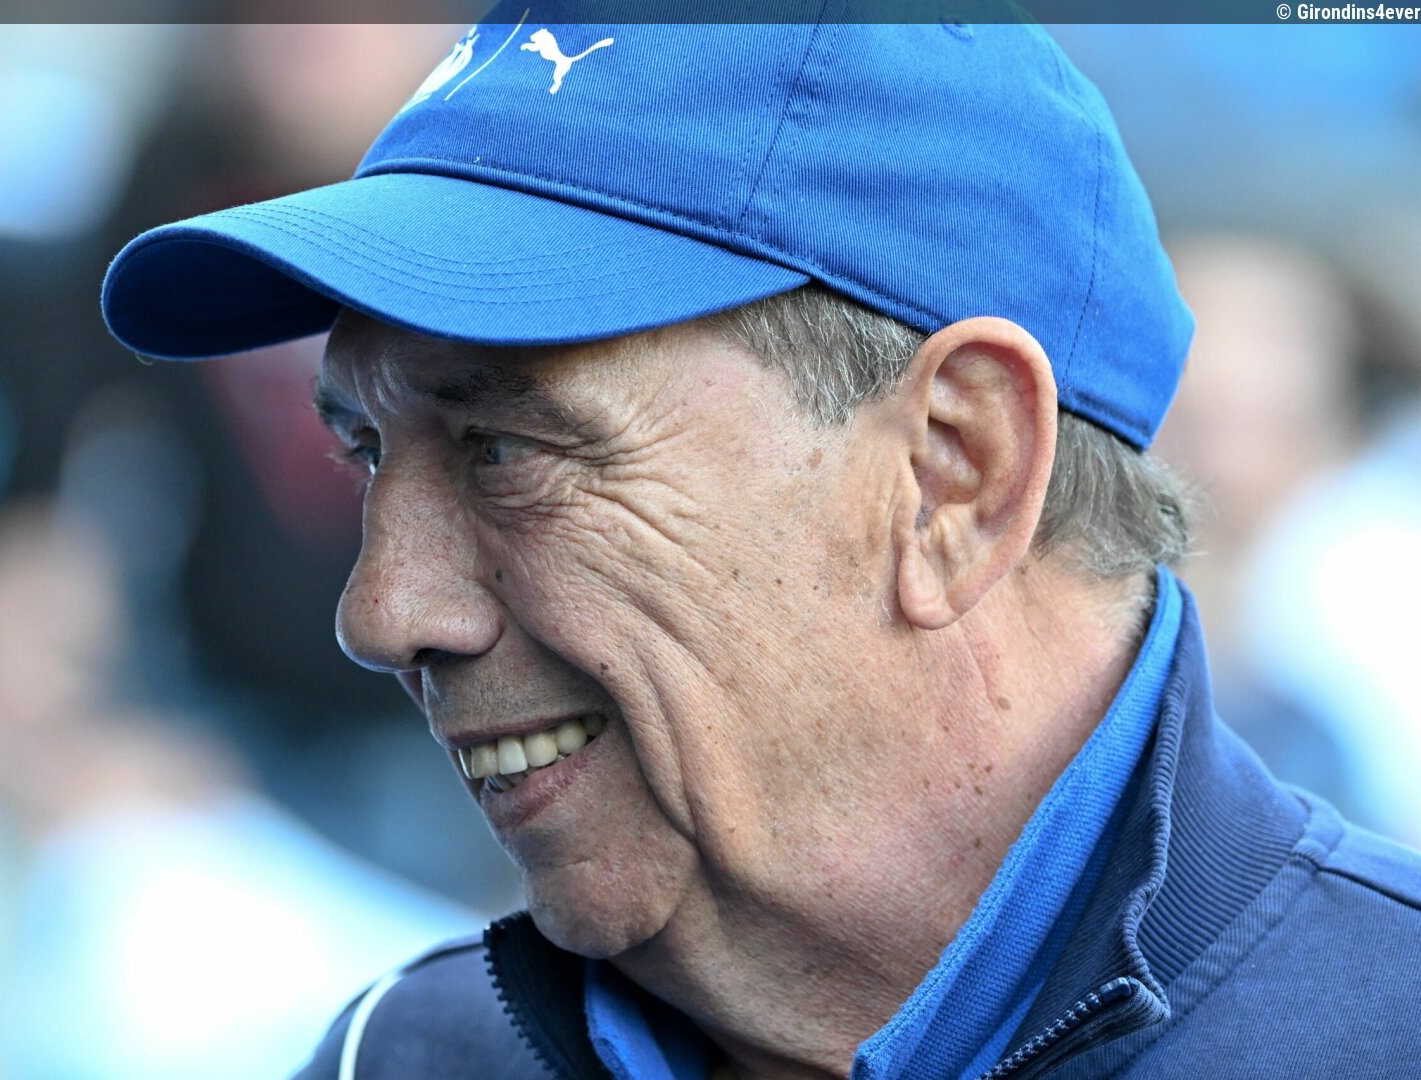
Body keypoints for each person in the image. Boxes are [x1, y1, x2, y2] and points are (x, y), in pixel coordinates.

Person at [99, 9, 1421, 1080]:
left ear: (954, 468)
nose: (385, 612)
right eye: (367, 453)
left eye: (503, 449)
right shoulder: (401, 1058)